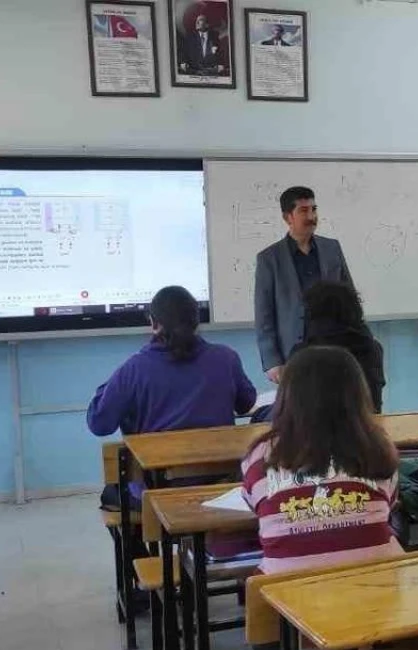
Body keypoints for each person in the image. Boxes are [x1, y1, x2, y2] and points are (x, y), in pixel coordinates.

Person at [240, 346, 402, 650]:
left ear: (286, 398)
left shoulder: (260, 456)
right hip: (377, 623)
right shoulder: (379, 451)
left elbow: (256, 506)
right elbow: (389, 505)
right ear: (358, 396)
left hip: (286, 640)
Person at [87, 285, 256, 504]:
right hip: (224, 488)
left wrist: (110, 385)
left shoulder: (134, 369)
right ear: (196, 322)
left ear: (154, 324)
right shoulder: (226, 358)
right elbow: (246, 403)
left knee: (111, 493)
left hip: (158, 494)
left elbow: (99, 424)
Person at [254, 186, 354, 384]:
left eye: (313, 209)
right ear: (287, 217)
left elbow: (349, 299)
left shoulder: (331, 248)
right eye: (303, 210)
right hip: (293, 353)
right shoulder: (269, 258)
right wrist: (272, 361)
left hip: (334, 347)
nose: (311, 216)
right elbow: (264, 313)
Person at [294, 281, 385, 412]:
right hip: (363, 423)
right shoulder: (372, 348)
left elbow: (292, 408)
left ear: (311, 314)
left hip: (312, 425)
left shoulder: (300, 354)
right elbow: (375, 402)